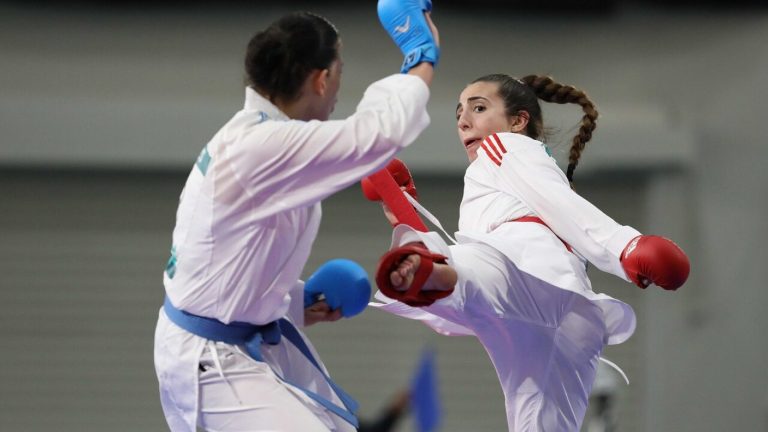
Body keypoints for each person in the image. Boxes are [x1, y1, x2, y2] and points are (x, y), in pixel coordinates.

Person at [153, 2, 440, 431]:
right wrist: (421, 54)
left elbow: (223, 264)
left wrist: (297, 301)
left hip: (231, 342)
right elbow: (377, 135)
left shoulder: (257, 138)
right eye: (340, 72)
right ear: (321, 79)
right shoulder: (260, 146)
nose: (340, 87)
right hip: (211, 359)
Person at [367, 74, 690, 431]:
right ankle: (433, 270)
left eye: (478, 107)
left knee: (475, 269)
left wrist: (625, 246)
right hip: (565, 319)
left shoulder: (504, 147)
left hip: (525, 278)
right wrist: (403, 214)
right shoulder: (513, 165)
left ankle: (434, 271)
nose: (463, 120)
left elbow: (563, 206)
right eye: (459, 112)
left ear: (518, 121)